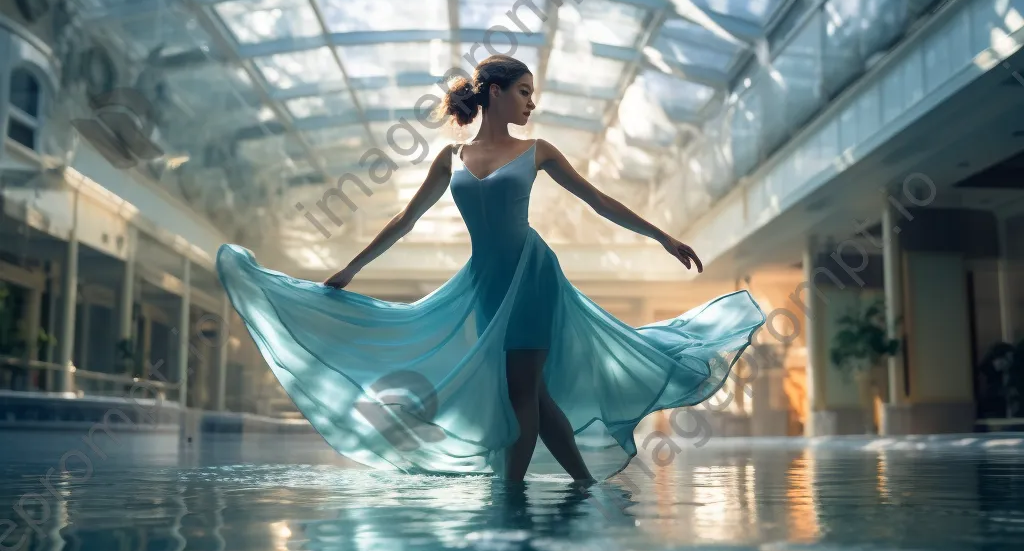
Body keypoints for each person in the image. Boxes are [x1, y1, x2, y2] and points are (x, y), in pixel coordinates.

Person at [217, 54, 764, 483]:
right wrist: (350, 269)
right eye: (524, 92)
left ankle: (511, 494)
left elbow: (598, 202)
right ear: (495, 94)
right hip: (483, 284)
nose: (531, 103)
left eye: (533, 95)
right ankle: (580, 482)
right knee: (528, 391)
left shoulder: (538, 150)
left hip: (531, 277)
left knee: (521, 388)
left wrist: (662, 237)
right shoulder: (450, 158)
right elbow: (405, 219)